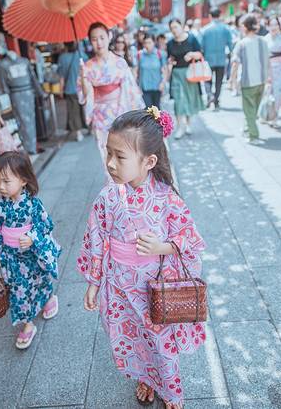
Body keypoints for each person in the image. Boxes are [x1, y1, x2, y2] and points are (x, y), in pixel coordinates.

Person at [78, 107, 205, 409]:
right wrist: (94, 283)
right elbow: (96, 238)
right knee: (132, 338)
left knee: (160, 342)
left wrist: (163, 247)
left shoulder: (165, 197)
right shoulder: (107, 197)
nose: (110, 163)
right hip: (119, 287)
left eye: (120, 157)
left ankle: (171, 393)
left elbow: (190, 237)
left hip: (153, 288)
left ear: (149, 162)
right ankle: (145, 378)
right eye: (109, 153)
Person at [0, 151, 61, 349]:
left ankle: (48, 298)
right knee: (19, 290)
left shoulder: (32, 204)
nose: (0, 186)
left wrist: (32, 237)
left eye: (6, 181)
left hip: (32, 255)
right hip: (12, 257)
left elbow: (45, 224)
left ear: (23, 180)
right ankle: (27, 324)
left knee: (40, 280)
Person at [78, 22, 145, 166]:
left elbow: (130, 90)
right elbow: (85, 96)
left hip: (120, 110)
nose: (99, 42)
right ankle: (112, 179)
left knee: (125, 150)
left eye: (102, 37)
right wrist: (83, 78)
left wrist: (134, 114)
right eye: (94, 39)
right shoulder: (87, 67)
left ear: (109, 36)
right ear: (90, 42)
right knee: (106, 153)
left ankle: (126, 177)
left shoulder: (120, 62)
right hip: (100, 115)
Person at [231, 13, 270, 143]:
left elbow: (235, 64)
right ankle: (247, 129)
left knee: (249, 110)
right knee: (253, 109)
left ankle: (253, 135)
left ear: (244, 27)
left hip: (248, 82)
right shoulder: (264, 41)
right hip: (261, 81)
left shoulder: (241, 43)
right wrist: (269, 77)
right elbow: (268, 61)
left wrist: (232, 80)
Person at [167, 18, 205, 138]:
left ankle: (188, 124)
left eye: (176, 27)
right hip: (176, 74)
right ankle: (180, 126)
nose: (174, 30)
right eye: (172, 28)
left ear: (181, 26)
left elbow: (200, 54)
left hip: (190, 73)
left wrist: (192, 54)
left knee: (189, 98)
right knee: (178, 100)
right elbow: (170, 58)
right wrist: (170, 61)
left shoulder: (192, 39)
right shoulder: (170, 43)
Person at [201, 8, 233, 111]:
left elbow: (201, 46)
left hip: (208, 59)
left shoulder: (205, 30)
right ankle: (216, 100)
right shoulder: (225, 29)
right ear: (220, 16)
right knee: (219, 81)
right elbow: (230, 44)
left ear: (210, 16)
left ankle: (210, 95)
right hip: (221, 59)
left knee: (207, 79)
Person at [57, 42, 87, 141]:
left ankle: (78, 133)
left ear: (65, 46)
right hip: (83, 87)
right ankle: (90, 128)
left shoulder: (62, 58)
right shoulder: (81, 55)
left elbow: (61, 77)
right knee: (86, 108)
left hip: (70, 89)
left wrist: (61, 90)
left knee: (74, 112)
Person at [137, 35, 168, 108]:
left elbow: (165, 70)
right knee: (147, 110)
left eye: (149, 42)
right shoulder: (140, 54)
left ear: (154, 43)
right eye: (145, 43)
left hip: (157, 87)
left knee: (157, 109)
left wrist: (163, 83)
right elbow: (136, 71)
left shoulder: (160, 54)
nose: (147, 45)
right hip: (144, 87)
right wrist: (136, 86)